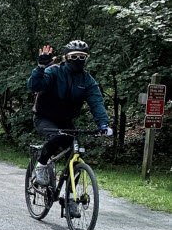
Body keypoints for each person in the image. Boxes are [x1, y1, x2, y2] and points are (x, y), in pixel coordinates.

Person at [27, 40, 113, 195]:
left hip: (66, 120)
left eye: (82, 56)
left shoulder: (87, 80)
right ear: (66, 57)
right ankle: (41, 164)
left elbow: (96, 102)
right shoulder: (53, 71)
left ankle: (71, 198)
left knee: (75, 154)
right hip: (44, 117)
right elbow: (35, 86)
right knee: (57, 137)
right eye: (74, 56)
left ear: (86, 59)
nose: (78, 60)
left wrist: (104, 125)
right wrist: (40, 67)